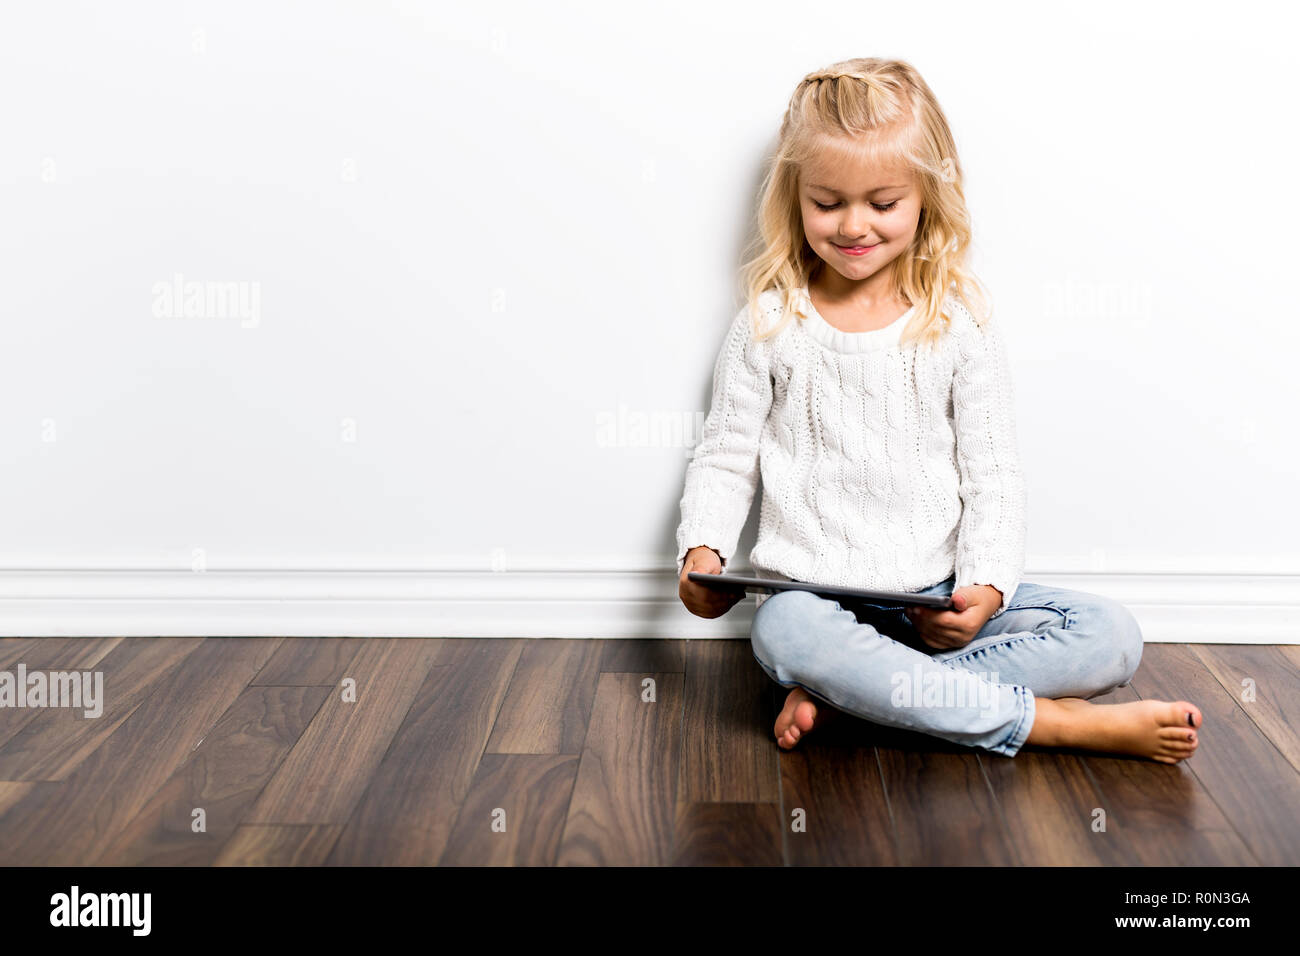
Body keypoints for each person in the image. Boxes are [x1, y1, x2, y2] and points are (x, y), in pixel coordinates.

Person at [675, 57, 1200, 763]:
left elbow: (994, 474)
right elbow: (725, 453)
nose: (853, 224)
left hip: (936, 603)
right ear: (793, 197)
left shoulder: (958, 323)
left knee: (1109, 635)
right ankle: (1051, 724)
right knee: (784, 634)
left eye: (882, 203)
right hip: (815, 604)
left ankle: (853, 702)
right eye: (827, 202)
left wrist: (982, 590)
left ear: (927, 195)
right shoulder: (770, 322)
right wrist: (702, 550)